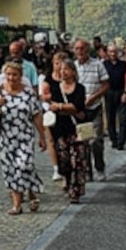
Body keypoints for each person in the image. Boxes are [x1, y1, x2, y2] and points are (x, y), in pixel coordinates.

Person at [0, 61, 46, 214]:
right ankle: (17, 204)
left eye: (14, 75)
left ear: (21, 76)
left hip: (24, 134)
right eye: (8, 74)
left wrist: (42, 136)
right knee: (10, 169)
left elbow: (36, 114)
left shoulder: (28, 92)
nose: (11, 78)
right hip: (6, 136)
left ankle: (31, 190)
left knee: (24, 165)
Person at [45, 60, 90, 203]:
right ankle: (67, 180)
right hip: (60, 129)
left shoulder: (80, 88)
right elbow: (52, 106)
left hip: (76, 129)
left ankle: (75, 191)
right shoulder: (56, 88)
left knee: (77, 160)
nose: (63, 72)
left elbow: (77, 106)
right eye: (61, 69)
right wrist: (63, 107)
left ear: (73, 72)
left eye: (66, 69)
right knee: (63, 160)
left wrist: (60, 107)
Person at [73, 38, 109, 178]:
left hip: (95, 107)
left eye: (82, 48)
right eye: (77, 48)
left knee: (96, 141)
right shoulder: (73, 67)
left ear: (88, 50)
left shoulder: (98, 65)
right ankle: (86, 170)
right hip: (79, 109)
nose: (80, 51)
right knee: (82, 140)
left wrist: (94, 97)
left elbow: (106, 85)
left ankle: (100, 167)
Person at [41, 51, 69, 181]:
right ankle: (56, 168)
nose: (59, 66)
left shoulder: (68, 79)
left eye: (61, 64)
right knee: (51, 140)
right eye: (57, 63)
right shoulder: (47, 78)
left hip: (66, 112)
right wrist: (52, 99)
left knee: (65, 139)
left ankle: (66, 166)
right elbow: (43, 96)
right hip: (50, 112)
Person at [102, 43, 126, 151]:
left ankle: (121, 141)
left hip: (121, 92)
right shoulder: (104, 65)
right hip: (109, 92)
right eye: (111, 52)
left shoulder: (123, 64)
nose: (113, 54)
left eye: (114, 51)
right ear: (107, 53)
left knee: (123, 118)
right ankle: (114, 139)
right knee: (110, 117)